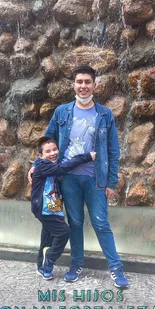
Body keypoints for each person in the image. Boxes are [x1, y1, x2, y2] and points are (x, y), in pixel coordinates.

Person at [29, 65, 128, 288]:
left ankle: (116, 268)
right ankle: (76, 265)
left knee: (101, 223)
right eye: (79, 82)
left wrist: (111, 181)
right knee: (74, 223)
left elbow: (113, 150)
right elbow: (48, 140)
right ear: (73, 84)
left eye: (87, 82)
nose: (83, 86)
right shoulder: (62, 112)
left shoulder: (105, 114)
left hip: (95, 179)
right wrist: (36, 165)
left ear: (95, 85)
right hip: (68, 179)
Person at [31, 135, 96, 280]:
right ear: (40, 156)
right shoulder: (43, 165)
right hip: (44, 209)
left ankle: (42, 268)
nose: (53, 153)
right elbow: (62, 168)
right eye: (48, 151)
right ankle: (50, 259)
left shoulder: (48, 164)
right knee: (64, 232)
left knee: (47, 237)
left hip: (51, 208)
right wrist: (86, 157)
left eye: (55, 149)